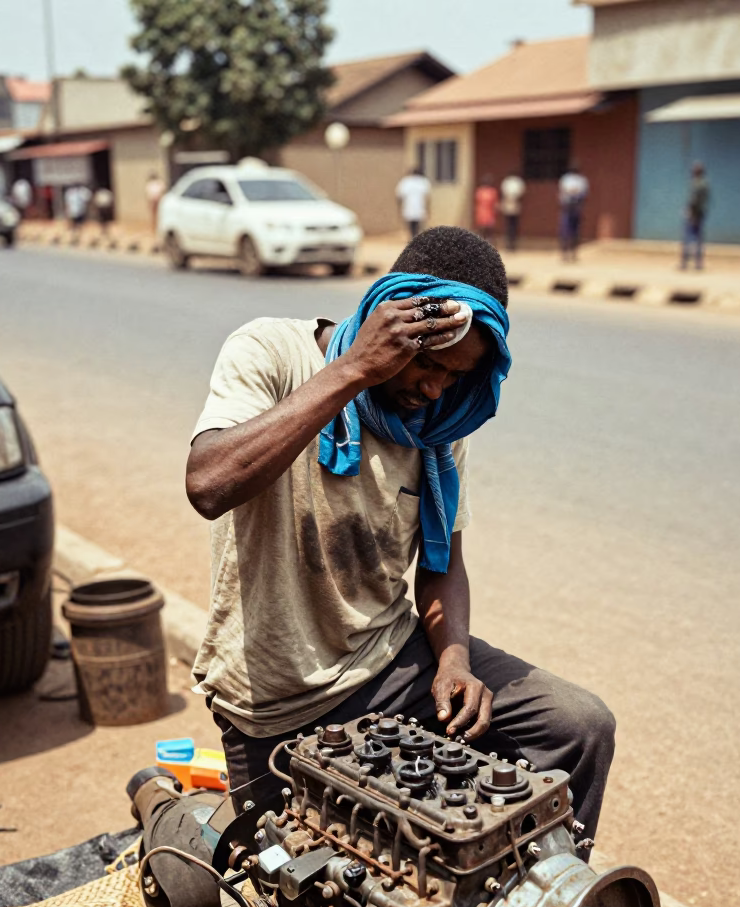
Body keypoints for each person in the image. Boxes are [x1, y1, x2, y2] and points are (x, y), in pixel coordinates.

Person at [185, 226, 615, 859]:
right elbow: (208, 484)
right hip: (277, 698)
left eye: (455, 376)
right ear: (390, 319)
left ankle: (537, 901)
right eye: (428, 363)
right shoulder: (272, 353)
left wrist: (454, 661)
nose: (436, 389)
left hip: (391, 664)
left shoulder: (437, 426)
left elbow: (442, 566)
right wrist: (354, 370)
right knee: (293, 879)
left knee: (579, 725)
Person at [681, 162, 710, 271]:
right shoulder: (705, 184)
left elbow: (694, 200)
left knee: (688, 238)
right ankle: (698, 263)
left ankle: (685, 262)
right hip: (701, 213)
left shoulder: (696, 184)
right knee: (698, 239)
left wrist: (690, 212)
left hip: (694, 214)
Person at [558, 164, 589, 262]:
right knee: (565, 231)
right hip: (567, 207)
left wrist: (575, 194)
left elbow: (583, 193)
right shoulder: (566, 179)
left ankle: (573, 253)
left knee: (575, 232)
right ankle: (565, 253)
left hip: (576, 207)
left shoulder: (581, 180)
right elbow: (564, 191)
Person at [395, 167, 431, 239]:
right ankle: (416, 237)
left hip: (408, 207)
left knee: (411, 225)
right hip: (420, 208)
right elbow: (427, 197)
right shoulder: (424, 181)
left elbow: (399, 196)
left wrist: (399, 207)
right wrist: (428, 208)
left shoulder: (405, 181)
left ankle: (413, 237)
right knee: (418, 225)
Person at [500, 172, 526, 251]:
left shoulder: (507, 182)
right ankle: (511, 243)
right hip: (512, 204)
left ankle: (511, 243)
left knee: (510, 225)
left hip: (511, 204)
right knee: (512, 225)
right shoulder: (517, 182)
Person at [473, 175, 499, 243]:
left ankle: (487, 241)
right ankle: (482, 241)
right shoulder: (481, 191)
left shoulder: (491, 191)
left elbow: (495, 203)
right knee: (483, 229)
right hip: (483, 211)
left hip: (488, 212)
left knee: (488, 229)